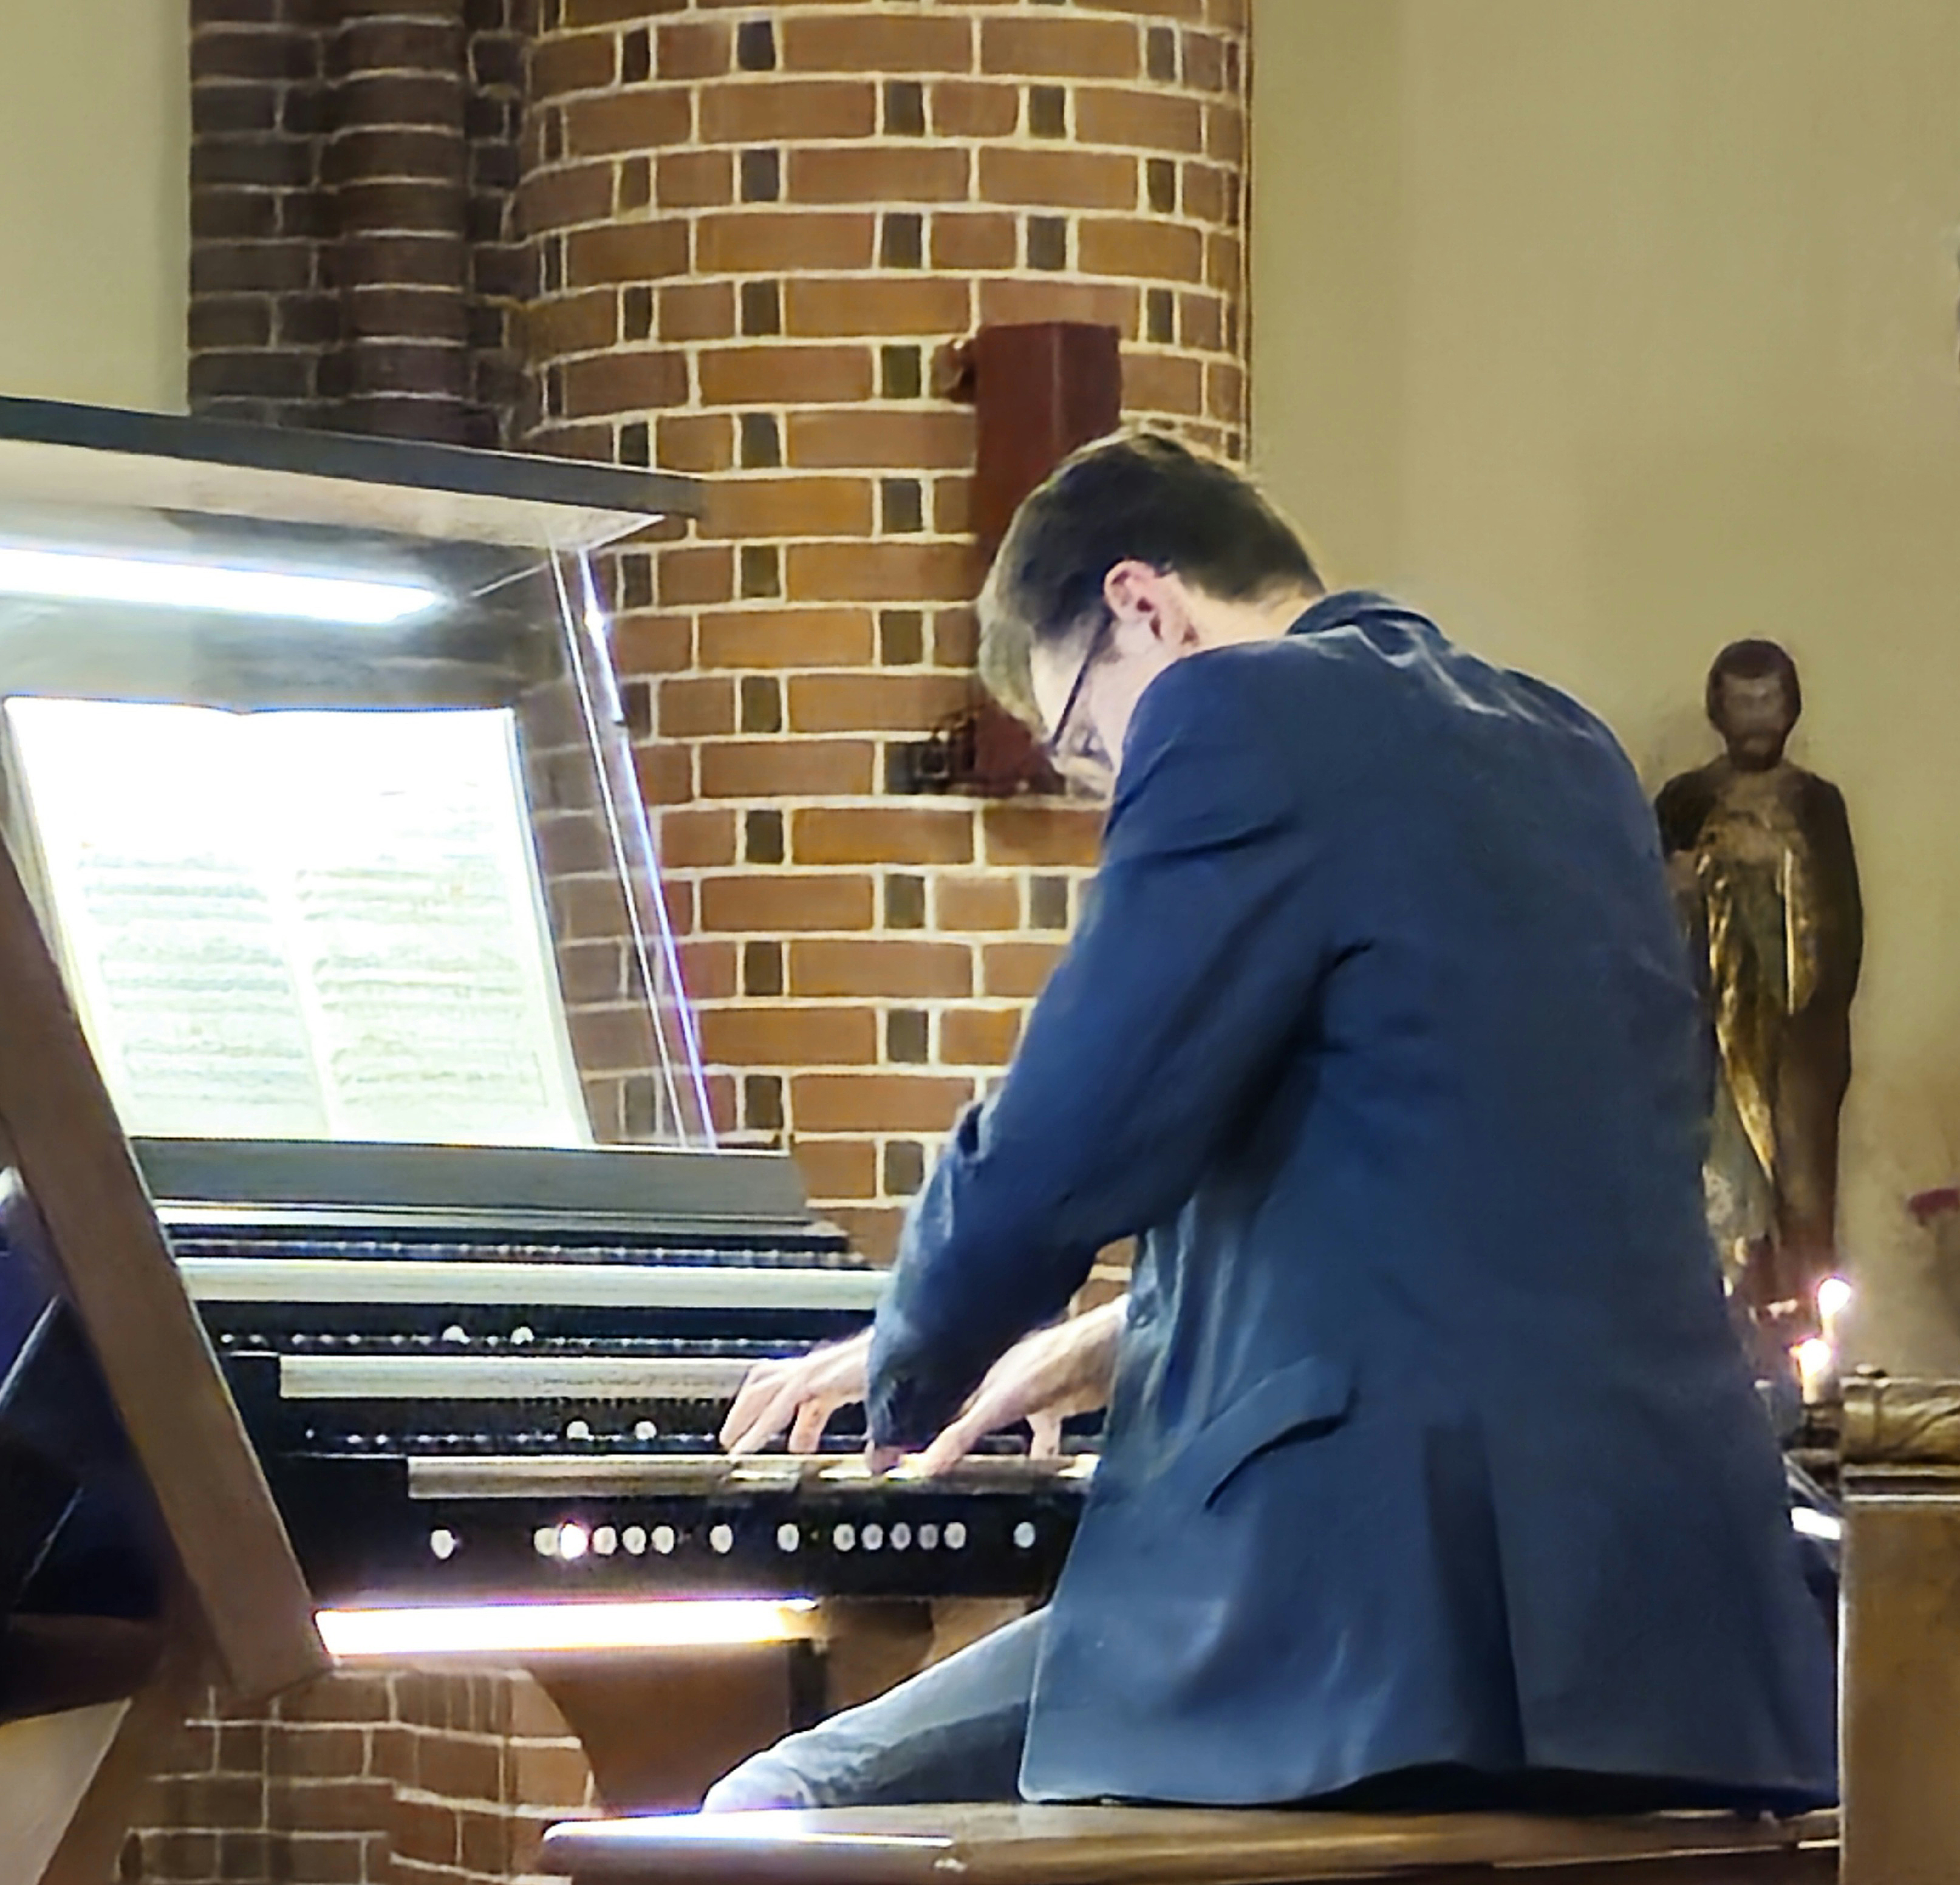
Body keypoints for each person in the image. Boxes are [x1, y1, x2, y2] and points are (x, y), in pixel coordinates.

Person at [707, 434, 1838, 1816]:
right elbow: (1481, 1181)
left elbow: (1071, 1126)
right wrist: (1122, 1333)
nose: (1107, 791)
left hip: (1362, 1622)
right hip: (1664, 1631)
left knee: (782, 1801)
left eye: (1085, 745)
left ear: (1143, 606)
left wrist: (911, 1361)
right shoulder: (1567, 747)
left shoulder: (1236, 709)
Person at [1654, 641, 1862, 1381]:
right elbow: (1645, 908)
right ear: (1717, 709)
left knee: (1797, 1192)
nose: (1755, 719)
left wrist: (1774, 863)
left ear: (1790, 707)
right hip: (1708, 1032)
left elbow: (1839, 925)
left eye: (1768, 701)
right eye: (1741, 702)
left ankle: (1799, 1351)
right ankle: (1713, 1346)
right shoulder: (1683, 802)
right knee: (1716, 1181)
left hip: (1792, 1039)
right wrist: (1694, 881)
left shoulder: (1815, 804)